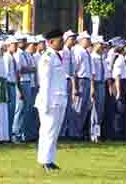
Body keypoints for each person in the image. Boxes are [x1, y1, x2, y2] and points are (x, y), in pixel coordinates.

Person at [36, 29, 67, 172]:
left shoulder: (57, 56)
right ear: (50, 42)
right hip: (50, 100)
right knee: (48, 131)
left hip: (59, 99)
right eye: (60, 41)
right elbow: (45, 82)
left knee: (54, 132)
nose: (62, 43)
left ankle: (49, 159)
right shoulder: (47, 57)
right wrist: (47, 103)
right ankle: (45, 161)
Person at [67, 32, 92, 139]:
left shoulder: (85, 52)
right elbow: (74, 70)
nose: (89, 41)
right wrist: (75, 86)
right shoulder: (78, 51)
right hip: (80, 80)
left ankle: (78, 131)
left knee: (84, 108)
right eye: (87, 39)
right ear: (81, 40)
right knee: (77, 107)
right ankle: (73, 132)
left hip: (86, 80)